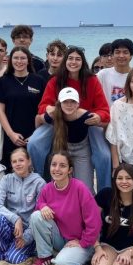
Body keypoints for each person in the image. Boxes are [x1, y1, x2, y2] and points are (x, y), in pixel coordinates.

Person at [26, 46, 111, 192]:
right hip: (59, 121)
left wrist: (98, 116)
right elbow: (42, 107)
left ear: (83, 62)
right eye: (70, 58)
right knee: (34, 143)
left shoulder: (92, 80)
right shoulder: (56, 80)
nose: (73, 62)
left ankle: (105, 193)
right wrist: (49, 108)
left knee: (104, 155)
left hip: (86, 122)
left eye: (78, 59)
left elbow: (104, 110)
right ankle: (37, 181)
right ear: (65, 61)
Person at [28, 151, 100, 265]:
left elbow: (95, 222)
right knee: (36, 216)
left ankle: (80, 257)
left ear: (69, 170)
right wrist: (43, 206)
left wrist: (82, 242)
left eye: (62, 165)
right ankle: (45, 257)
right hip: (60, 239)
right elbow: (38, 206)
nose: (57, 169)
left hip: (82, 241)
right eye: (54, 164)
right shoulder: (47, 188)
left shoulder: (80, 188)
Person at [90, 164, 133, 265]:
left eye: (128, 178)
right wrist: (97, 248)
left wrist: (130, 252)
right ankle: (113, 263)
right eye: (120, 178)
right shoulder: (105, 195)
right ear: (115, 180)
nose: (124, 182)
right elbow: (90, 223)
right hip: (109, 246)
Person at [0, 148, 46, 263]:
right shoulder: (6, 179)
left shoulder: (39, 183)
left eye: (21, 160)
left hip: (28, 230)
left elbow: (38, 214)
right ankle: (3, 252)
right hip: (11, 225)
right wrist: (15, 218)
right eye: (14, 161)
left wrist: (27, 237)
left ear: (29, 161)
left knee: (14, 259)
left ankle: (25, 249)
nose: (17, 164)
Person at [0, 46, 46, 163]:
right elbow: (0, 110)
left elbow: (43, 110)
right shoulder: (4, 81)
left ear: (28, 60)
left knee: (34, 168)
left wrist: (35, 135)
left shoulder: (39, 80)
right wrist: (11, 134)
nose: (19, 61)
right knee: (12, 169)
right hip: (11, 136)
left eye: (23, 58)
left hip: (34, 136)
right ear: (10, 60)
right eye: (16, 58)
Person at [43, 88, 95, 188]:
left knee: (85, 186)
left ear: (78, 104)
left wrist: (99, 118)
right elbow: (39, 119)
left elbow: (103, 122)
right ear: (60, 103)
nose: (69, 105)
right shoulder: (54, 115)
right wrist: (33, 135)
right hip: (62, 149)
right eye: (65, 102)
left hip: (82, 152)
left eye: (73, 101)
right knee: (58, 183)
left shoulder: (85, 116)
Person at [97, 37, 133, 106]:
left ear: (131, 55)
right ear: (113, 55)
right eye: (117, 52)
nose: (121, 56)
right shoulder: (102, 75)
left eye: (125, 52)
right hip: (109, 112)